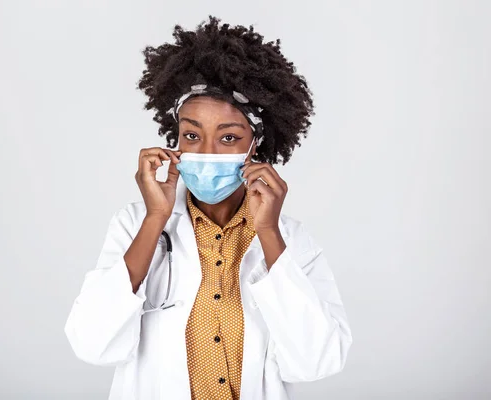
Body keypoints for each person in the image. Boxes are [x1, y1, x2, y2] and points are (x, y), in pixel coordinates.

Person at [64, 15, 352, 400]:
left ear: (256, 147)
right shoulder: (135, 224)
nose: (207, 152)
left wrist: (268, 232)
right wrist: (155, 219)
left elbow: (318, 361)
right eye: (192, 135)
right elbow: (91, 343)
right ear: (174, 140)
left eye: (229, 137)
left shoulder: (291, 241)